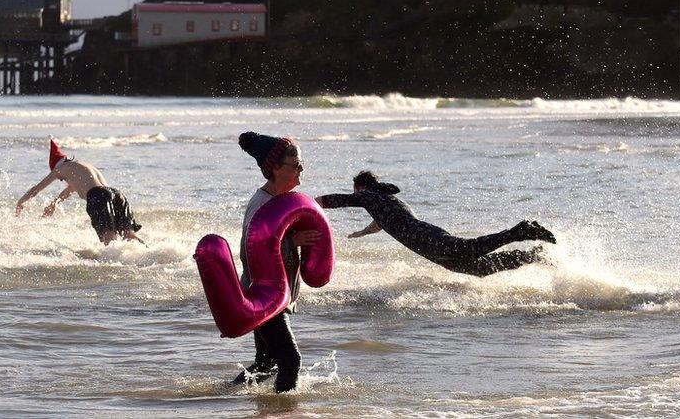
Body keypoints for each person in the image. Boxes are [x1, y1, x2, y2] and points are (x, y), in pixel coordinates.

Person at [316, 171, 556, 277]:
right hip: (426, 243)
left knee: (472, 249)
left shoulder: (371, 196)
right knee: (479, 269)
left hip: (427, 239)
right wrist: (363, 232)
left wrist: (309, 202)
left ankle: (520, 230)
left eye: (356, 191)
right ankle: (530, 256)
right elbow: (381, 223)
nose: (356, 195)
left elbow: (340, 200)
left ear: (361, 187)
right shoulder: (383, 200)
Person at [231, 131, 321, 393]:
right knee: (291, 360)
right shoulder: (261, 204)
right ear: (276, 168)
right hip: (263, 296)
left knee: (267, 363)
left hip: (278, 296)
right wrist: (292, 243)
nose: (301, 169)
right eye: (296, 165)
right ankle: (285, 410)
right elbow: (249, 251)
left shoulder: (285, 202)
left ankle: (225, 395)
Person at [15, 137, 144, 246]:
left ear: (55, 166)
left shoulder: (60, 169)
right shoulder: (83, 167)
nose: (61, 180)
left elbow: (36, 189)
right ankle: (148, 254)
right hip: (116, 194)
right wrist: (54, 204)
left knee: (108, 236)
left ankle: (112, 266)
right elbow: (70, 189)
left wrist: (21, 201)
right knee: (128, 235)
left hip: (98, 196)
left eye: (60, 179)